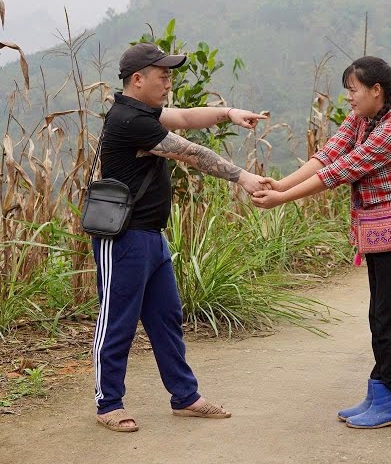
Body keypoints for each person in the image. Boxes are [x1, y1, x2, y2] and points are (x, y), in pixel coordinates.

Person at [91, 42, 268, 433]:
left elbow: (186, 117)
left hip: (151, 236)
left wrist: (229, 113)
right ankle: (109, 403)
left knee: (167, 318)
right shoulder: (128, 120)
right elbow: (190, 152)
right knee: (117, 321)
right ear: (138, 79)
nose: (169, 83)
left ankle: (185, 397)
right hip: (122, 238)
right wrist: (244, 177)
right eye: (163, 75)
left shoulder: (143, 111)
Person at [251, 56, 391, 429]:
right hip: (379, 231)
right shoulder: (363, 119)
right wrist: (281, 184)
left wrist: (282, 198)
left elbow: (342, 169)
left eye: (353, 90)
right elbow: (329, 154)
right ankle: (377, 393)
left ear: (376, 90)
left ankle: (389, 401)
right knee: (379, 315)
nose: (349, 97)